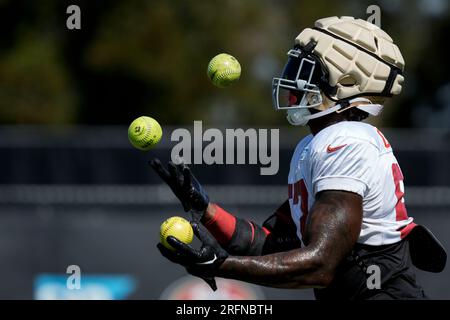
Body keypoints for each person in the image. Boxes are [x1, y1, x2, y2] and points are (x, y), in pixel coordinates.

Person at [150, 16, 446, 300]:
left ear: (344, 83)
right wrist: (206, 210)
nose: (292, 80)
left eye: (306, 71)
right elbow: (269, 243)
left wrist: (221, 266)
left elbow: (320, 264)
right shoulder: (316, 144)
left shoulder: (346, 141)